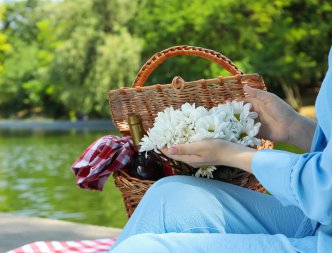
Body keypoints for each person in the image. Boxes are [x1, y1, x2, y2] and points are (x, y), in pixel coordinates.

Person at [109, 47, 332, 253]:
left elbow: (325, 190)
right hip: (322, 223)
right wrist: (295, 128)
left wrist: (231, 154)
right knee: (167, 194)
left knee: (143, 249)